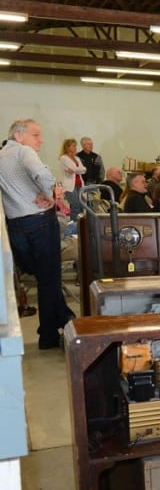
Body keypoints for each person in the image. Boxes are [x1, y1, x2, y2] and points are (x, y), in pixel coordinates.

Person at [0, 119, 76, 349]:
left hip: (15, 226)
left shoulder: (1, 155)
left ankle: (64, 320)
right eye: (36, 135)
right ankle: (50, 333)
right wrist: (52, 194)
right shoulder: (23, 151)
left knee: (45, 278)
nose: (40, 140)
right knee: (49, 279)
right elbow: (41, 174)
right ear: (19, 136)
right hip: (40, 222)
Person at [58, 138, 87, 222]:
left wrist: (76, 170)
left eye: (75, 146)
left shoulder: (77, 158)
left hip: (80, 184)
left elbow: (84, 170)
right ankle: (74, 226)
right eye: (73, 146)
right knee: (75, 206)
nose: (75, 148)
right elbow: (76, 168)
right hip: (70, 186)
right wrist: (78, 169)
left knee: (82, 206)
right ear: (67, 147)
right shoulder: (64, 158)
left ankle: (81, 225)